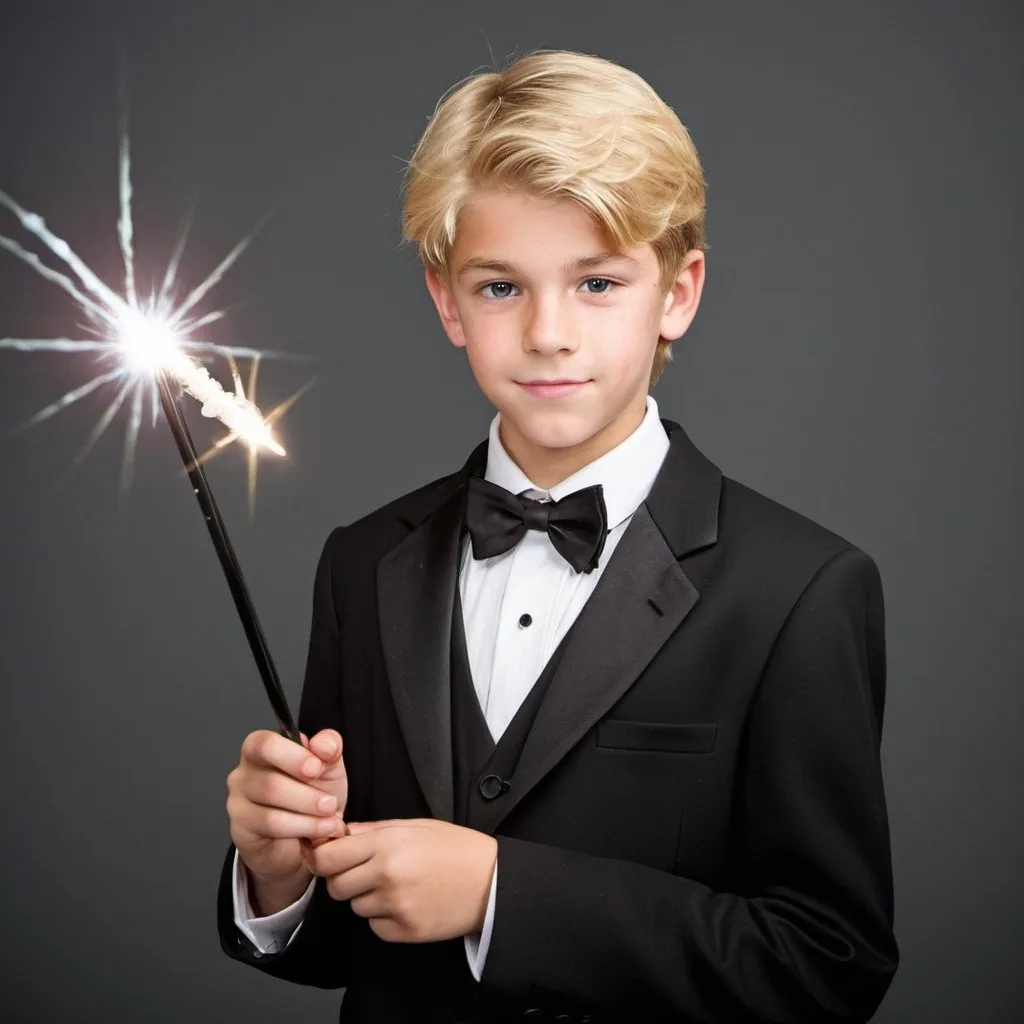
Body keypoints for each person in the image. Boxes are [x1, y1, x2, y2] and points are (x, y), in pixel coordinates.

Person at [217, 48, 899, 1024]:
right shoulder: (363, 560)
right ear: (445, 298)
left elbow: (826, 962)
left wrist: (504, 895)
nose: (547, 333)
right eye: (500, 287)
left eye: (596, 283)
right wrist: (279, 871)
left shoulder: (802, 589)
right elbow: (338, 944)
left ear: (678, 291)